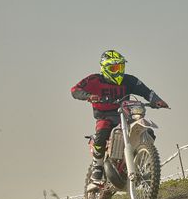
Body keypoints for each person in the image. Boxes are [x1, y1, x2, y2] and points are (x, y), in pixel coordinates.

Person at [71, 50, 169, 183]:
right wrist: (89, 96)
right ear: (105, 69)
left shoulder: (129, 80)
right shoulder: (94, 80)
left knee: (148, 131)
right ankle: (97, 166)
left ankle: (143, 160)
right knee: (102, 132)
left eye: (121, 67)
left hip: (126, 114)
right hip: (105, 116)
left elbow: (146, 91)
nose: (118, 71)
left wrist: (157, 100)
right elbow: (75, 90)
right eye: (114, 68)